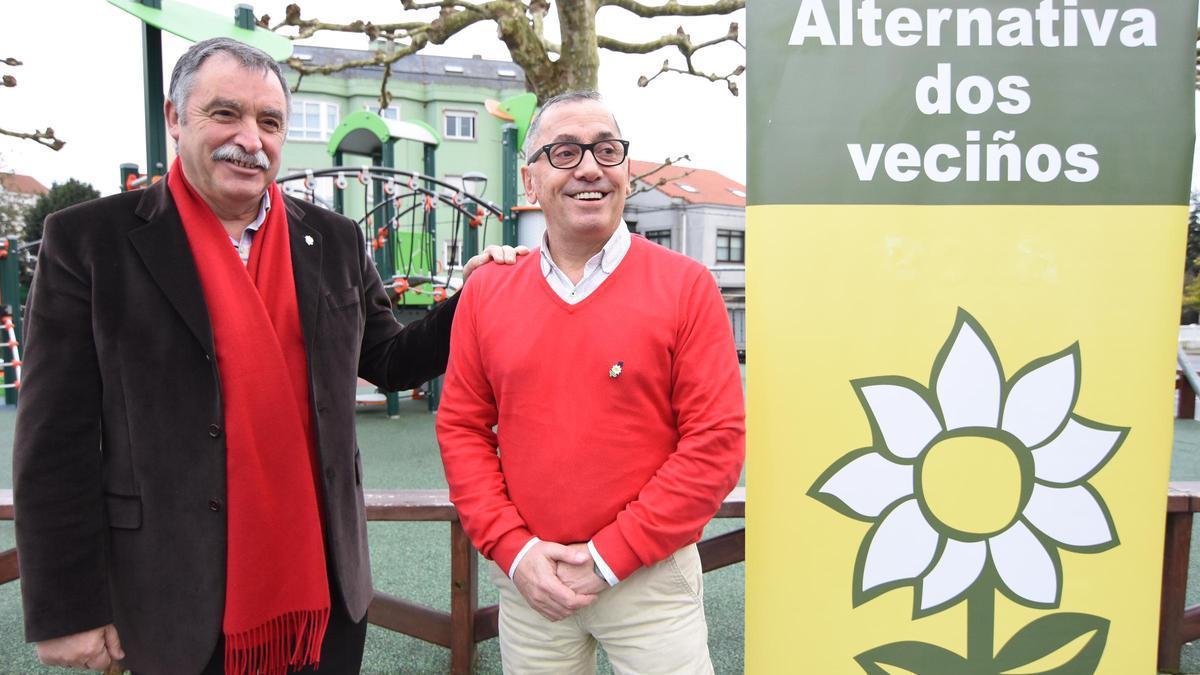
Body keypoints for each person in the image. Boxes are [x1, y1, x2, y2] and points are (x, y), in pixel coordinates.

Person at [13, 37, 523, 675]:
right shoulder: (91, 241)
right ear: (175, 118)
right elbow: (54, 442)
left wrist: (471, 300)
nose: (250, 139)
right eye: (225, 113)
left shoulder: (334, 239)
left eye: (270, 121)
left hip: (322, 590)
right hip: (169, 593)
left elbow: (390, 360)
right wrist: (66, 610)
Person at [436, 90, 746, 674]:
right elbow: (462, 429)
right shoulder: (488, 292)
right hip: (531, 582)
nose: (589, 168)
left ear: (625, 170)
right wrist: (514, 550)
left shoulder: (686, 286)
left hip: (651, 580)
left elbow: (716, 442)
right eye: (564, 152)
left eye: (606, 150)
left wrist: (610, 556)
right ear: (530, 182)